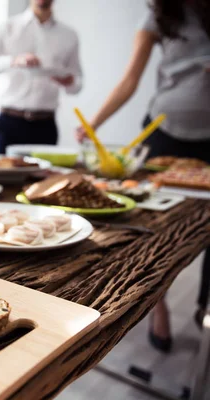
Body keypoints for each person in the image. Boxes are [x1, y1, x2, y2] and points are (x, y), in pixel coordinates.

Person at [75, 0, 210, 352]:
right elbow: (130, 79)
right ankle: (157, 304)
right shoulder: (159, 14)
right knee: (153, 223)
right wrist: (94, 124)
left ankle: (204, 310)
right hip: (163, 133)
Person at [0, 0, 83, 154]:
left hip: (45, 125)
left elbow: (77, 84)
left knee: (48, 178)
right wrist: (14, 60)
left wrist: (69, 81)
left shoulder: (68, 35)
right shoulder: (7, 28)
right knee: (3, 176)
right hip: (10, 122)